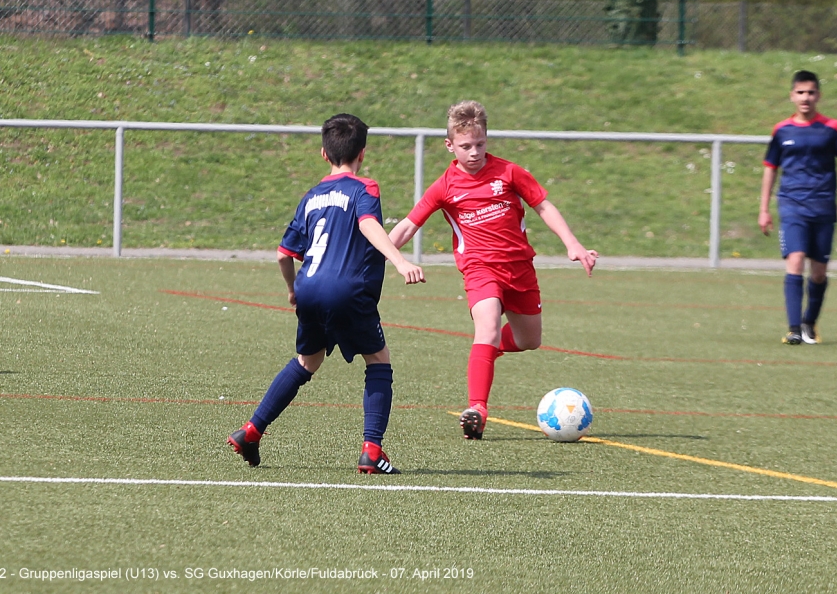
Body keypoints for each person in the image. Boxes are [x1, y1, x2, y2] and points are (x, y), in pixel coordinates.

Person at [388, 101, 598, 440]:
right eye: (465, 146)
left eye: (480, 144)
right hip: (480, 268)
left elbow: (543, 205)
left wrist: (572, 244)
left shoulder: (509, 173)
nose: (474, 153)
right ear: (450, 145)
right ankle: (478, 409)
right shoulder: (444, 186)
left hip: (520, 268)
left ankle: (487, 353)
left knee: (530, 340)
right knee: (486, 329)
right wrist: (378, 254)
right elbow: (408, 226)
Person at [228, 114, 425, 473]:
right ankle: (372, 451)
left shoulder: (311, 197)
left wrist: (292, 291)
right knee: (378, 361)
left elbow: (283, 254)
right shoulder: (364, 188)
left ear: (323, 153)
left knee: (308, 361)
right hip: (347, 290)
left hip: (309, 288)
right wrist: (399, 261)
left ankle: (251, 431)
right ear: (362, 153)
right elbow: (368, 223)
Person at [759, 70, 837, 345]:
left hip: (823, 206)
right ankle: (793, 329)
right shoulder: (782, 130)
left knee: (818, 272)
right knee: (795, 260)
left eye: (811, 92)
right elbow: (770, 168)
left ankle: (809, 324)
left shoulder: (832, 128)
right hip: (792, 205)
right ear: (792, 96)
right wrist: (764, 209)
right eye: (801, 92)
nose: (806, 97)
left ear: (818, 96)